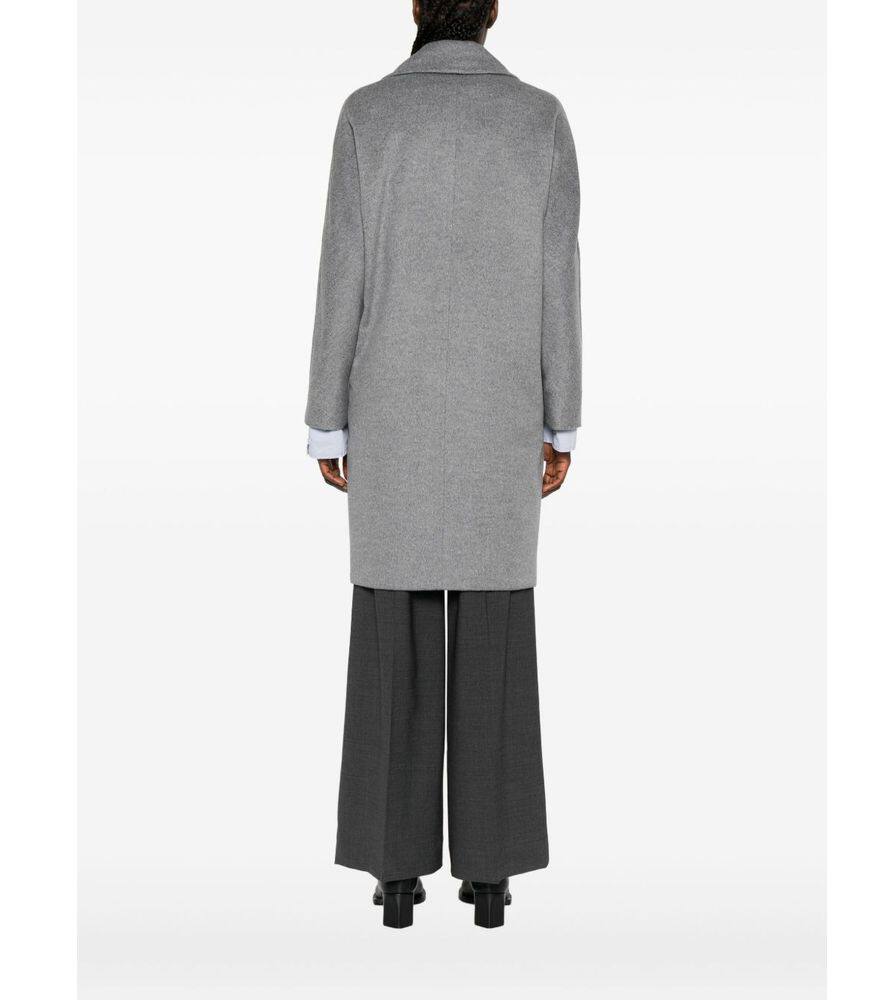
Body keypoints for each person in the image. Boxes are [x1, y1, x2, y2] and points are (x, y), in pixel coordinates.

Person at [304, 0, 581, 929]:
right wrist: (562, 419)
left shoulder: (368, 115)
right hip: (501, 415)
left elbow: (341, 276)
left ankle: (394, 875)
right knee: (496, 636)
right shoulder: (538, 119)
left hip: (392, 414)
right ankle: (491, 878)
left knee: (395, 632)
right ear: (493, 11)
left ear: (417, 10)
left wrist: (327, 421)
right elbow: (558, 281)